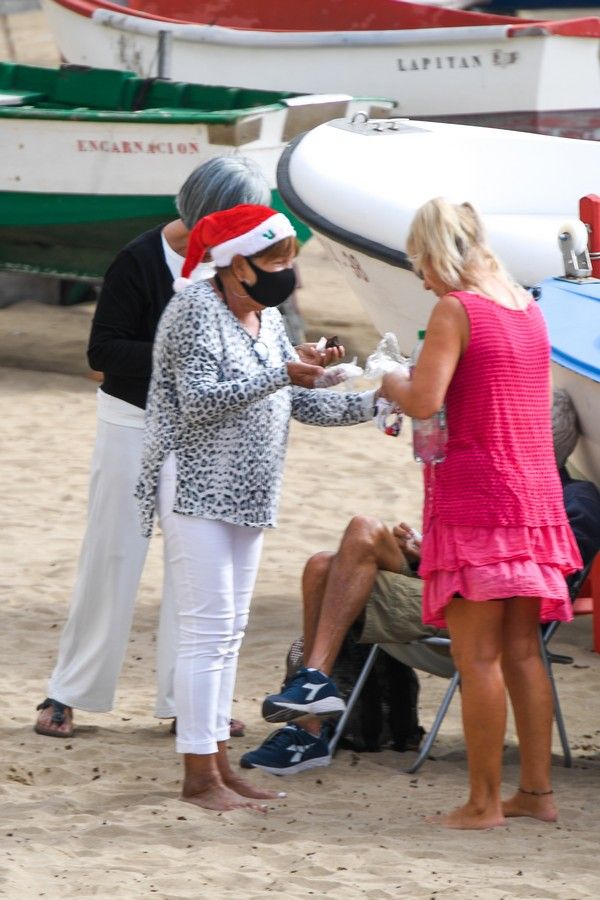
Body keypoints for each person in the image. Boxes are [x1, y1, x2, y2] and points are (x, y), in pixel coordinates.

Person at [135, 203, 378, 812]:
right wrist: (281, 375)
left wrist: (379, 402)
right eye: (275, 260)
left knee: (229, 633)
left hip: (248, 492)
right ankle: (198, 775)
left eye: (290, 259)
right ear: (235, 264)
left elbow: (301, 406)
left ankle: (217, 764)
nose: (286, 272)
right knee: (206, 633)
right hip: (194, 484)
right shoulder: (193, 308)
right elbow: (197, 401)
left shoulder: (265, 317)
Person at [34, 157, 274, 739]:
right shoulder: (139, 260)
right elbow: (103, 352)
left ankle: (183, 700)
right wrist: (184, 358)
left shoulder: (242, 264)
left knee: (194, 568)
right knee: (112, 554)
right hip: (133, 422)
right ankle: (66, 692)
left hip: (208, 432)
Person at [249, 391, 600, 774]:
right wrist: (426, 550)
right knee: (323, 562)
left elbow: (542, 584)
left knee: (354, 538)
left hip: (478, 613)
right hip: (447, 587)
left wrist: (436, 554)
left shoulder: (574, 500)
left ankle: (310, 710)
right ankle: (310, 710)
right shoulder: (505, 484)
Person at [379, 197, 582, 828]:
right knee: (525, 652)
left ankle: (483, 802)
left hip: (477, 501)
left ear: (436, 252)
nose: (421, 277)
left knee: (479, 658)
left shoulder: (455, 310)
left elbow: (423, 401)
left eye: (420, 263)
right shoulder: (525, 306)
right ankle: (537, 796)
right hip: (536, 497)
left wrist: (387, 377)